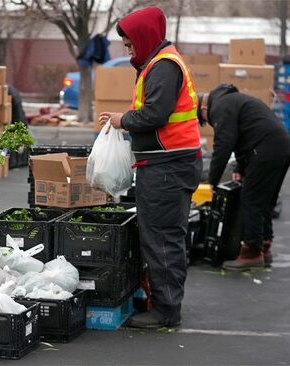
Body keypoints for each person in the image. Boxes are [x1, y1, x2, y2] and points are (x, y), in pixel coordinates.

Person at [97, 7, 202, 329]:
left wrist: (122, 120)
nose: (129, 52)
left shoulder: (163, 66)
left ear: (144, 38)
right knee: (161, 236)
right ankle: (163, 303)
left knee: (162, 239)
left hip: (168, 165)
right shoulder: (160, 63)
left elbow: (155, 114)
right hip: (168, 162)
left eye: (130, 45)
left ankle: (166, 311)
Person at [199, 84, 290, 270]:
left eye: (203, 120)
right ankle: (263, 245)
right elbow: (244, 136)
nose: (208, 123)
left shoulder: (220, 106)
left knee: (251, 199)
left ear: (204, 108)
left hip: (266, 150)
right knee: (264, 201)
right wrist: (241, 168)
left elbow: (224, 144)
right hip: (281, 147)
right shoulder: (235, 101)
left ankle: (251, 252)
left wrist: (212, 181)